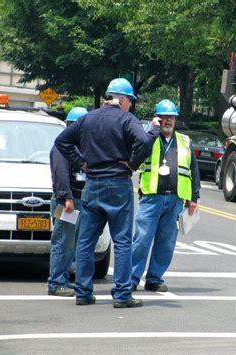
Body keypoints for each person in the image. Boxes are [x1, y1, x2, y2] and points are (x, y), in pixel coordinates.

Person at [55, 78, 159, 308]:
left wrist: (82, 162)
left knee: (85, 240)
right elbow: (143, 140)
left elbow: (62, 141)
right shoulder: (126, 118)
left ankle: (83, 292)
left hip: (93, 182)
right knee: (122, 240)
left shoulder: (88, 118)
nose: (130, 105)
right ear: (122, 100)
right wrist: (132, 163)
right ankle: (122, 294)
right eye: (130, 100)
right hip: (118, 183)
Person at [131, 99, 200, 292]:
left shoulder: (184, 141)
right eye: (163, 117)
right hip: (152, 197)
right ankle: (132, 278)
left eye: (171, 117)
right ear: (156, 118)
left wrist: (194, 197)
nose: (167, 121)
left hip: (176, 198)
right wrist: (152, 132)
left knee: (166, 242)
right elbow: (135, 159)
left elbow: (193, 170)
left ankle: (154, 278)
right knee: (142, 239)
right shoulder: (148, 138)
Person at [47, 107, 88, 297]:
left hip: (74, 200)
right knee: (63, 242)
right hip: (66, 202)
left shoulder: (76, 147)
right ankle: (56, 282)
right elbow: (61, 175)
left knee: (70, 243)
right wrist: (67, 198)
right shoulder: (61, 148)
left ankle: (61, 279)